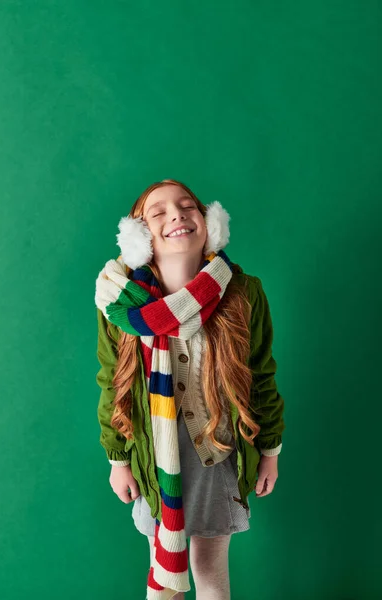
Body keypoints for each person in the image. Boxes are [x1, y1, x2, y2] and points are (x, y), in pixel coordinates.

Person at [94, 178, 285, 600]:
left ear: (209, 223)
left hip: (214, 450)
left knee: (209, 569)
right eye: (158, 212)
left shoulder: (243, 291)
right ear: (140, 236)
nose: (177, 215)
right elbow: (113, 382)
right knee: (163, 572)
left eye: (187, 206)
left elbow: (261, 376)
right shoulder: (119, 303)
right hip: (152, 455)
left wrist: (269, 451)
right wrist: (117, 459)